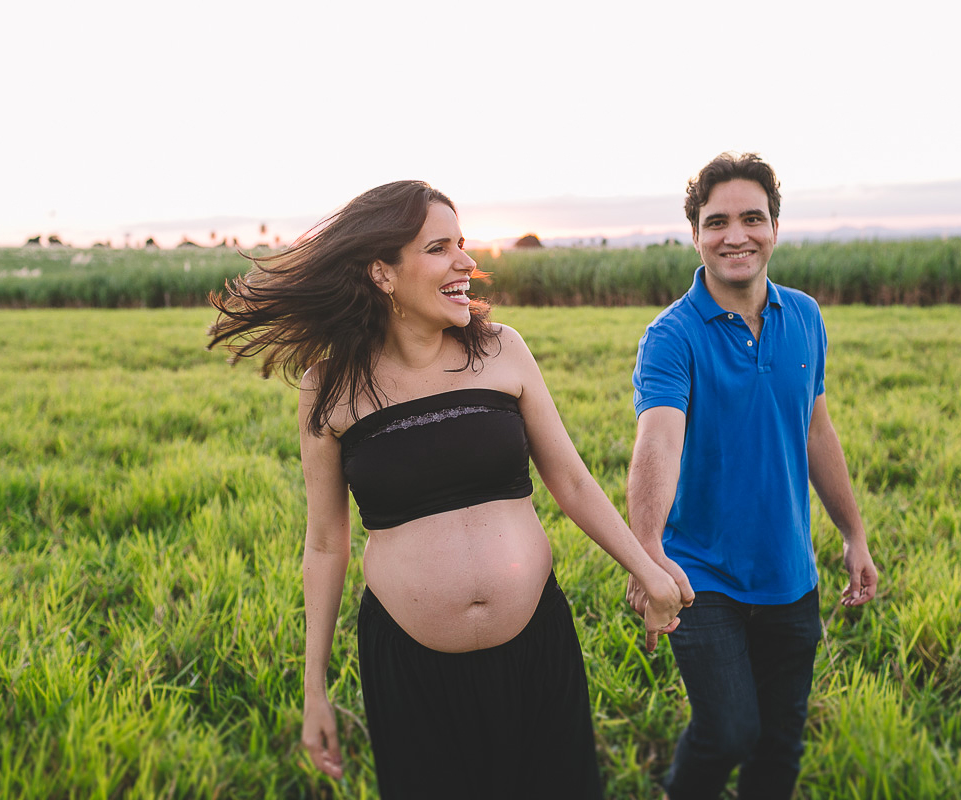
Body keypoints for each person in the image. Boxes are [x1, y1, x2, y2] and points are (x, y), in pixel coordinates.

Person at [206, 180, 692, 800]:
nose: (468, 262)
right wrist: (314, 691)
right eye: (440, 249)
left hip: (537, 649)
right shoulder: (328, 388)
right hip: (411, 670)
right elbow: (327, 544)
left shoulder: (501, 351)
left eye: (462, 244)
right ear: (382, 273)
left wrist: (647, 568)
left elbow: (569, 479)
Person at [624, 153, 879, 800]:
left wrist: (854, 535)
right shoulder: (671, 337)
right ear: (696, 235)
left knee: (780, 743)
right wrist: (647, 552)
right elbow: (658, 439)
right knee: (730, 730)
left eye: (752, 218)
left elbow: (816, 430)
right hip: (702, 577)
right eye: (718, 222)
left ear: (775, 226)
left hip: (792, 576)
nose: (736, 235)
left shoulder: (807, 317)